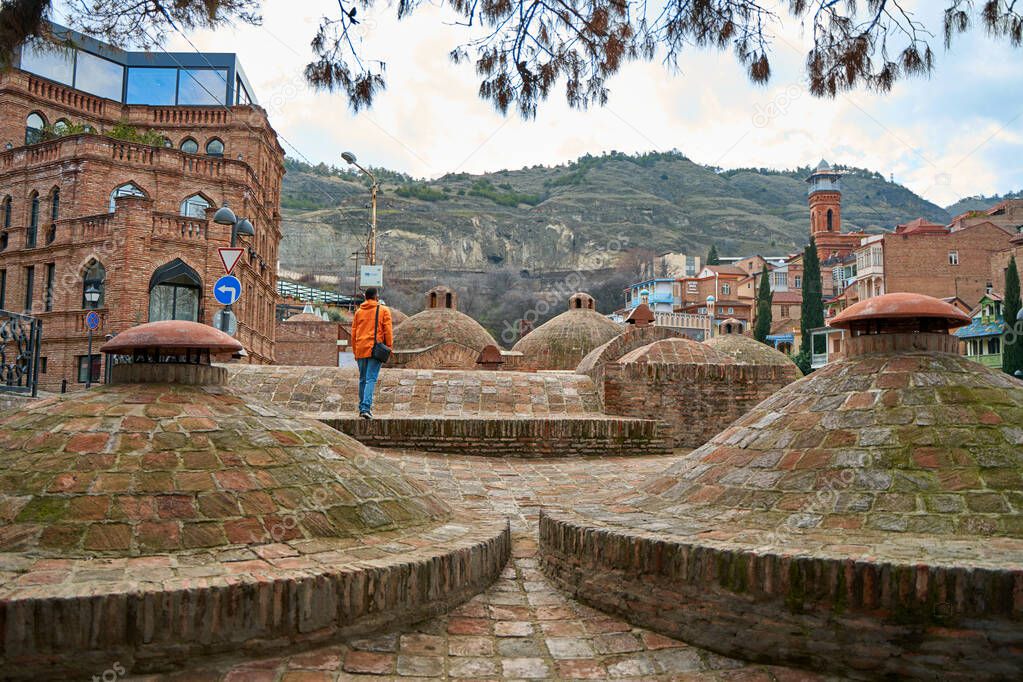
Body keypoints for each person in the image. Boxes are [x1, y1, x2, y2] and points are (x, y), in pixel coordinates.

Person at [350, 287, 393, 418]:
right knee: (371, 379)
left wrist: (355, 350)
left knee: (363, 379)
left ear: (365, 297)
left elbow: (353, 333)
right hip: (375, 349)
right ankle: (365, 408)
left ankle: (361, 407)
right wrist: (389, 347)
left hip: (360, 349)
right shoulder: (383, 310)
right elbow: (388, 331)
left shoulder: (358, 312)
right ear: (376, 297)